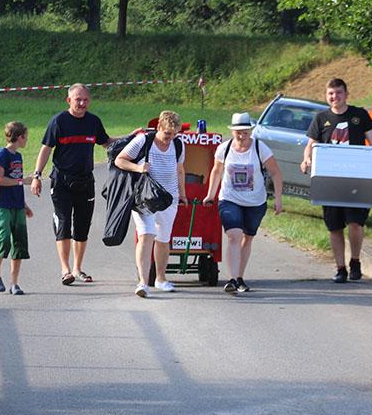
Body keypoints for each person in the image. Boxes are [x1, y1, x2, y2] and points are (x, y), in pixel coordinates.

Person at [301, 78, 372, 282]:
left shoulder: (359, 115)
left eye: (339, 93)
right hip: (329, 181)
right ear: (326, 95)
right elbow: (311, 145)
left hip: (356, 179)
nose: (335, 97)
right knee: (335, 227)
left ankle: (355, 261)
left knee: (356, 223)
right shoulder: (321, 118)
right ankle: (340, 268)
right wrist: (306, 159)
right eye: (331, 93)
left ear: (346, 94)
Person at [31, 83, 118, 286]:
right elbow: (46, 149)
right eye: (78, 99)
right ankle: (65, 269)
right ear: (69, 100)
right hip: (61, 181)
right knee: (63, 224)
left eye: (85, 100)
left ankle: (78, 268)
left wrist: (132, 138)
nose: (82, 103)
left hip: (85, 182)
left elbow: (107, 142)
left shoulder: (93, 122)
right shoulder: (59, 122)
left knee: (82, 226)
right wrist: (37, 175)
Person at [203, 112, 283, 294]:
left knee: (247, 238)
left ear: (250, 131)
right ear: (232, 132)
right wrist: (210, 194)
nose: (241, 135)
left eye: (245, 132)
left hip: (255, 202)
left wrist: (278, 199)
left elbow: (276, 173)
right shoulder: (224, 148)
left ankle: (240, 277)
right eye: (238, 132)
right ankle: (231, 279)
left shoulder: (260, 148)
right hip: (229, 199)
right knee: (234, 235)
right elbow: (216, 171)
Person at [115, 110, 187, 298]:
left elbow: (180, 170)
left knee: (163, 239)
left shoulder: (178, 145)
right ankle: (143, 282)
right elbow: (120, 160)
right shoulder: (143, 141)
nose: (169, 139)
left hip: (169, 198)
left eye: (173, 134)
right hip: (144, 199)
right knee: (146, 235)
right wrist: (138, 167)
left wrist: (183, 194)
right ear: (158, 128)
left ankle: (161, 279)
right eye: (166, 134)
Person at [0, 121, 33, 295]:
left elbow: (16, 185)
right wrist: (23, 181)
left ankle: (14, 284)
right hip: (2, 206)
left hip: (17, 206)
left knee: (19, 243)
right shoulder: (2, 155)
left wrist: (24, 205)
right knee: (4, 239)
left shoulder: (18, 157)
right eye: (26, 137)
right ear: (19, 136)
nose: (26, 141)